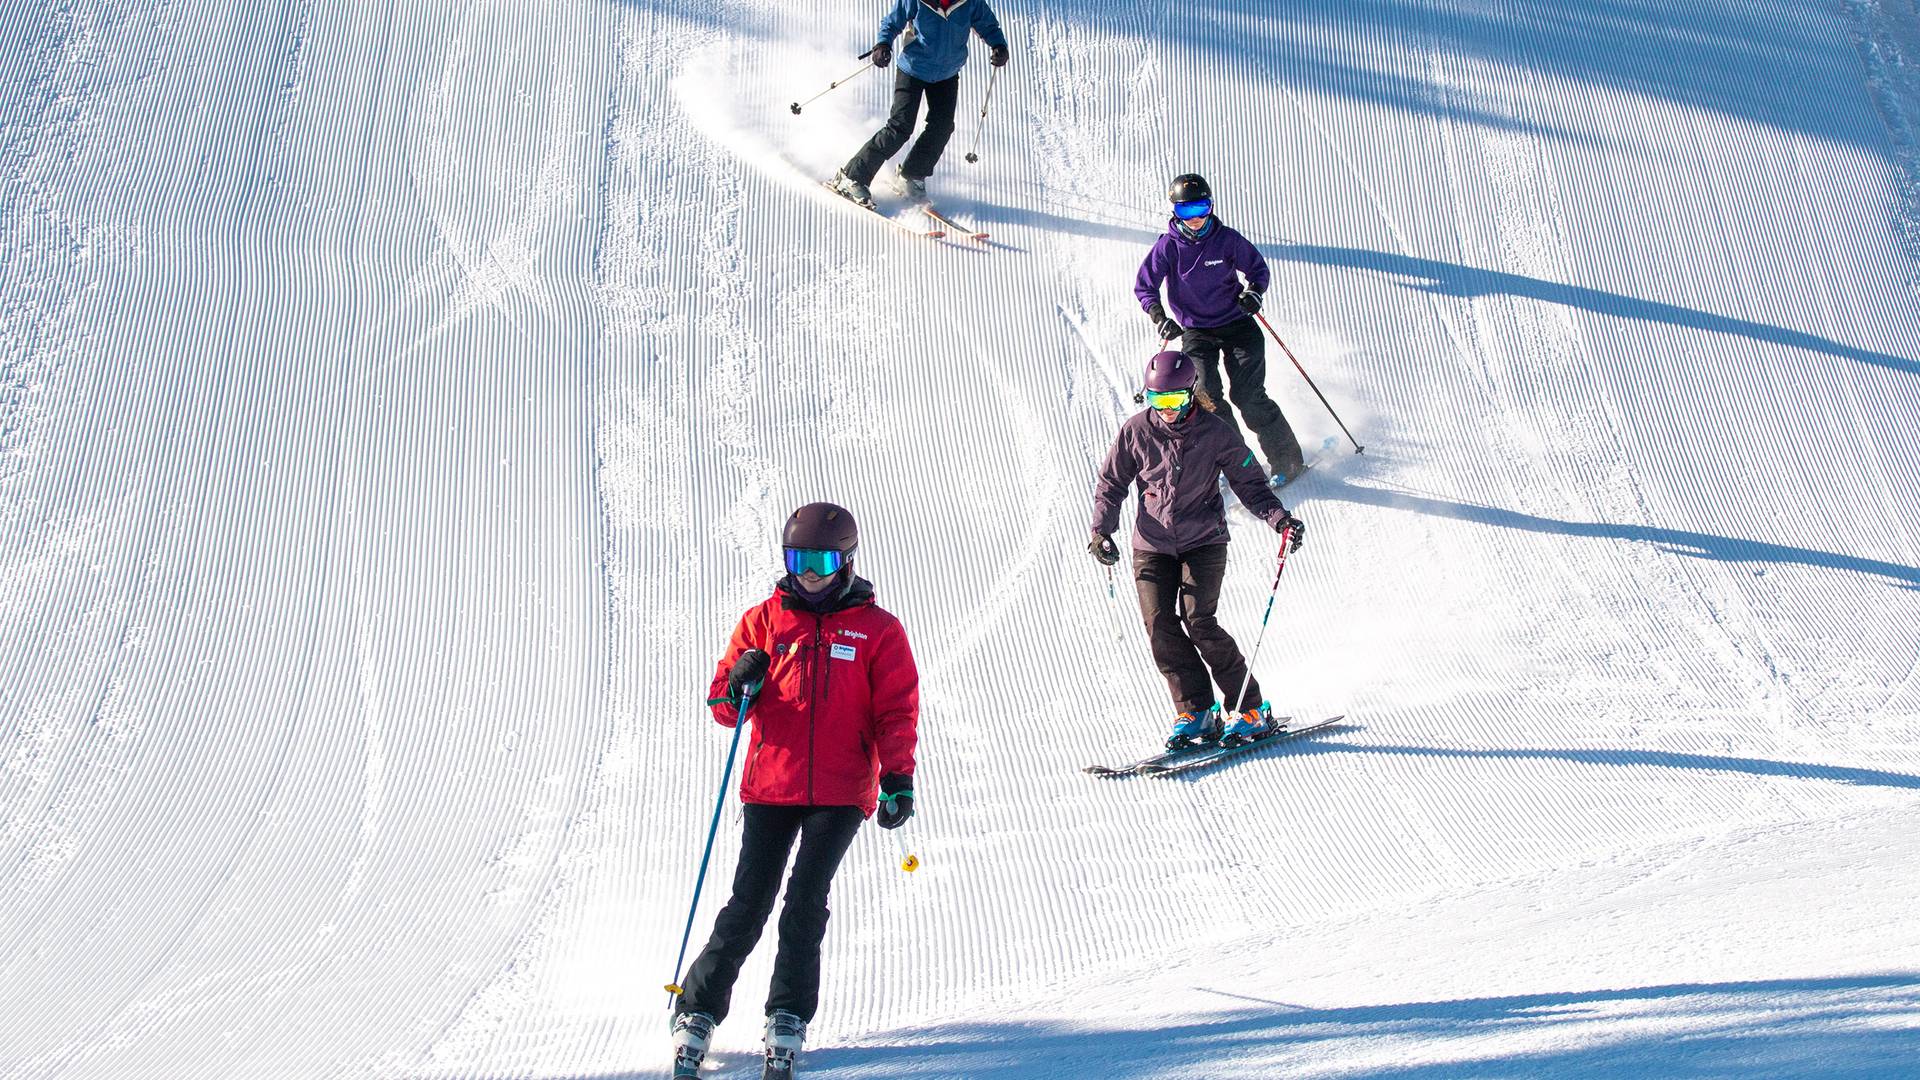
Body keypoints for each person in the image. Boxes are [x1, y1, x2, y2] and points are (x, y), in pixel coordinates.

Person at [671, 502, 920, 1079]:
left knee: (805, 901)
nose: (809, 574)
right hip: (771, 785)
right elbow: (723, 708)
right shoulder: (763, 622)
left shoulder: (878, 630)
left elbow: (896, 711)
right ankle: (697, 1010)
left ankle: (786, 1014)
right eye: (798, 560)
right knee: (749, 902)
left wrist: (898, 778)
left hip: (841, 791)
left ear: (847, 561)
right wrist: (740, 683)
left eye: (822, 562)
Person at [1089, 351, 1307, 750]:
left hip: (1204, 540)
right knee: (1159, 625)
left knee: (1199, 621)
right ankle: (1196, 711)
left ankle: (1250, 708)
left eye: (1174, 400)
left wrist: (1280, 520)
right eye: (1157, 400)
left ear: (1191, 393)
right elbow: (1111, 483)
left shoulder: (1216, 432)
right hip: (1152, 544)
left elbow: (1250, 484)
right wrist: (1101, 531)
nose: (1166, 410)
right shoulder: (1136, 431)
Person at [1134, 173, 1308, 484]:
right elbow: (1145, 287)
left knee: (1248, 396)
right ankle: (1241, 468)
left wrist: (1253, 293)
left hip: (1238, 325)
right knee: (1208, 399)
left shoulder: (1226, 239)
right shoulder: (1167, 247)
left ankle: (1288, 461)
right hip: (1197, 333)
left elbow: (1258, 269)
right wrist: (1160, 317)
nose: (1196, 218)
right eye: (1187, 210)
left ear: (1211, 206)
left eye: (1201, 208)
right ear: (1175, 211)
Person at [830, 0, 1010, 208]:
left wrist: (999, 45)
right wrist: (883, 43)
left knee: (942, 127)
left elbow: (988, 25)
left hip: (947, 74)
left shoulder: (970, 2)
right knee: (900, 127)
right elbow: (892, 22)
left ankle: (911, 175)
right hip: (913, 69)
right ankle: (852, 177)